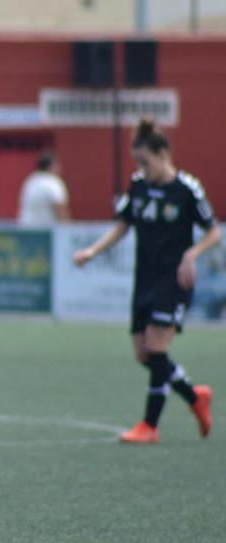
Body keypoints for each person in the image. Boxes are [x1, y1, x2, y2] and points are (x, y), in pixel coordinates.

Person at [74, 118, 218, 444]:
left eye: (146, 162)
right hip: (145, 280)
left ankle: (150, 426)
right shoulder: (138, 186)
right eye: (138, 162)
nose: (142, 169)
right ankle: (195, 396)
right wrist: (92, 251)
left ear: (164, 153)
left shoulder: (187, 190)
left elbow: (214, 232)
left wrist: (191, 255)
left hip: (173, 280)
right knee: (144, 355)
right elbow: (123, 224)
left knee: (156, 347)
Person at [17, 150, 71, 226]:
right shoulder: (53, 182)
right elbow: (60, 209)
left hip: (26, 230)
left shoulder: (31, 180)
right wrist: (68, 229)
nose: (60, 168)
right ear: (51, 166)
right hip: (46, 233)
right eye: (57, 165)